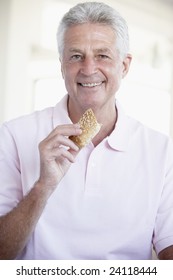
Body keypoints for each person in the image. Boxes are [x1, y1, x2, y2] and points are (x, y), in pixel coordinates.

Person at [0, 1, 173, 260]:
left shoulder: (162, 151)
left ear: (124, 65)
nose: (89, 69)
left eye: (102, 55)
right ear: (61, 65)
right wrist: (43, 186)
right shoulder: (13, 136)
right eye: (76, 56)